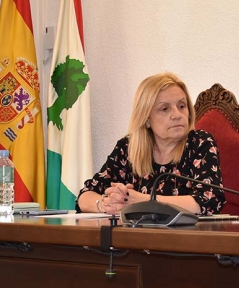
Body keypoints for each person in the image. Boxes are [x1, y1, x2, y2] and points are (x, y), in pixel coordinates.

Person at [77, 72, 226, 215]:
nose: (177, 115)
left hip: (186, 239)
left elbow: (210, 200)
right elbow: (84, 196)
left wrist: (142, 201)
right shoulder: (128, 147)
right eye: (165, 109)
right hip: (137, 238)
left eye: (182, 106)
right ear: (147, 118)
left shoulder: (199, 142)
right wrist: (107, 204)